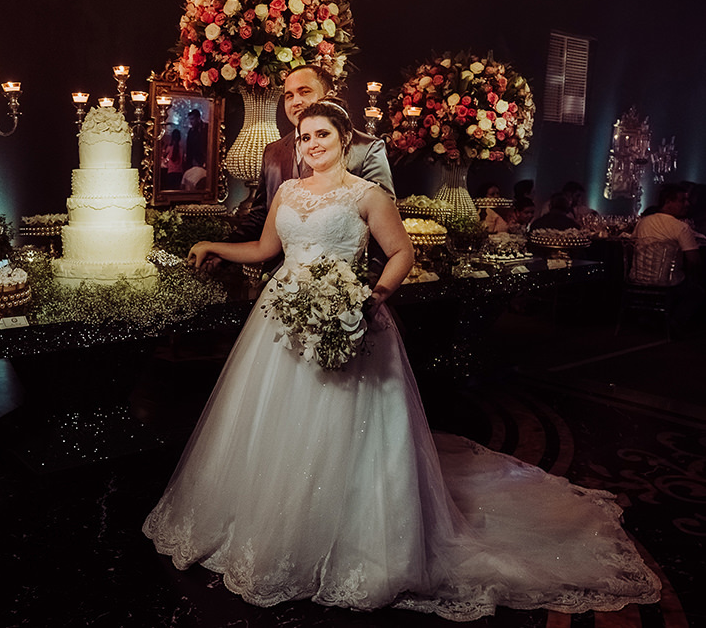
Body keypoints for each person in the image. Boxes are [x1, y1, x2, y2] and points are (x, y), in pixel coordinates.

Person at [143, 100, 659, 620]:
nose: (311, 144)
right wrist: (212, 243)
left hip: (351, 315)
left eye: (321, 134)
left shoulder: (367, 195)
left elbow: (401, 253)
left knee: (344, 425)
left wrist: (372, 298)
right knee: (272, 422)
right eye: (303, 137)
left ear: (345, 140)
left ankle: (350, 538)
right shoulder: (286, 192)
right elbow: (263, 250)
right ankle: (269, 524)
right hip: (281, 320)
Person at [228, 65, 394, 246]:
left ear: (329, 94)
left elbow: (385, 225)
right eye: (289, 96)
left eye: (304, 92)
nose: (295, 101)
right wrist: (221, 250)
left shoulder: (367, 148)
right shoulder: (273, 151)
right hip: (279, 270)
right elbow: (259, 217)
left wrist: (364, 275)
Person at [631, 183, 704, 325]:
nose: (687, 204)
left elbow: (632, 244)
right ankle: (675, 322)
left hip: (637, 278)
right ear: (668, 202)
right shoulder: (681, 227)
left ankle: (649, 316)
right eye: (682, 200)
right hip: (667, 282)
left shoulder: (643, 222)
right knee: (698, 292)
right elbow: (694, 260)